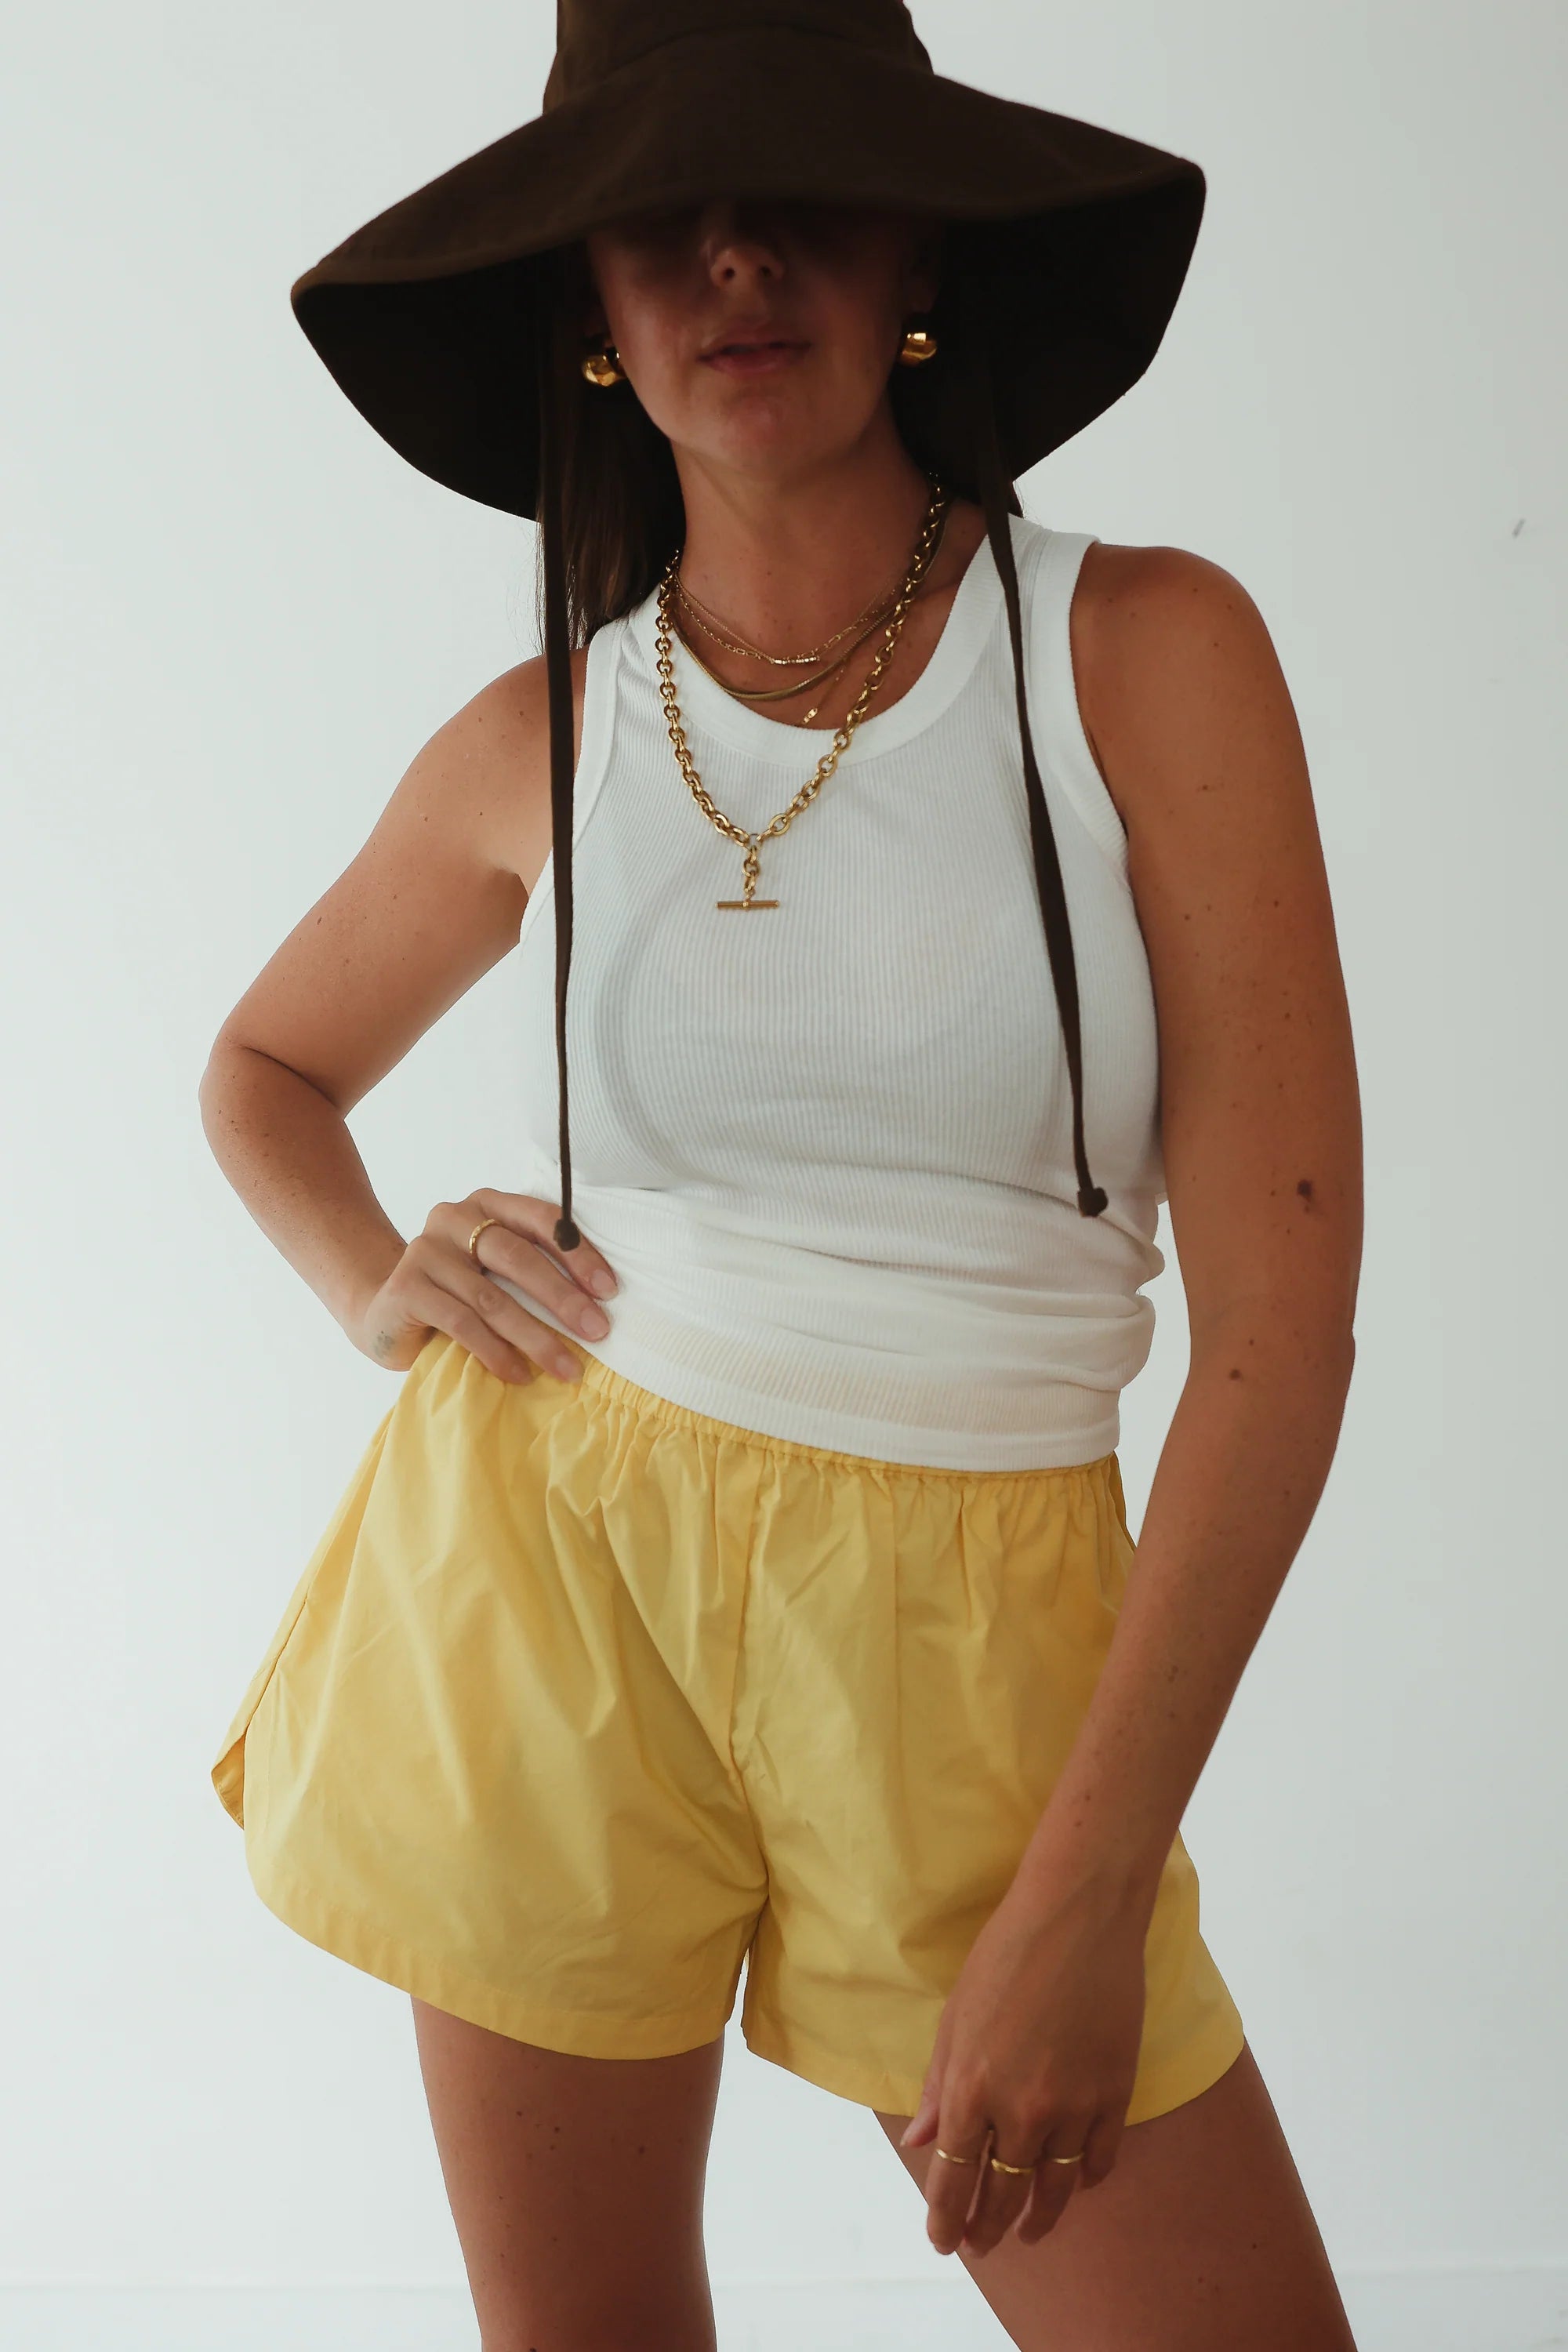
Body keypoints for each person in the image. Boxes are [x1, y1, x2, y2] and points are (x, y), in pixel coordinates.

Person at [200, 4, 1364, 2346]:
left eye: (804, 192)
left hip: (979, 1642)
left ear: (921, 248)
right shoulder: (546, 730)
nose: (735, 259)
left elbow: (1281, 1324)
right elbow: (265, 1067)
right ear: (594, 306)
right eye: (661, 218)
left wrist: (1087, 1893)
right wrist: (376, 1277)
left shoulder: (1142, 653)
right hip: (542, 1583)